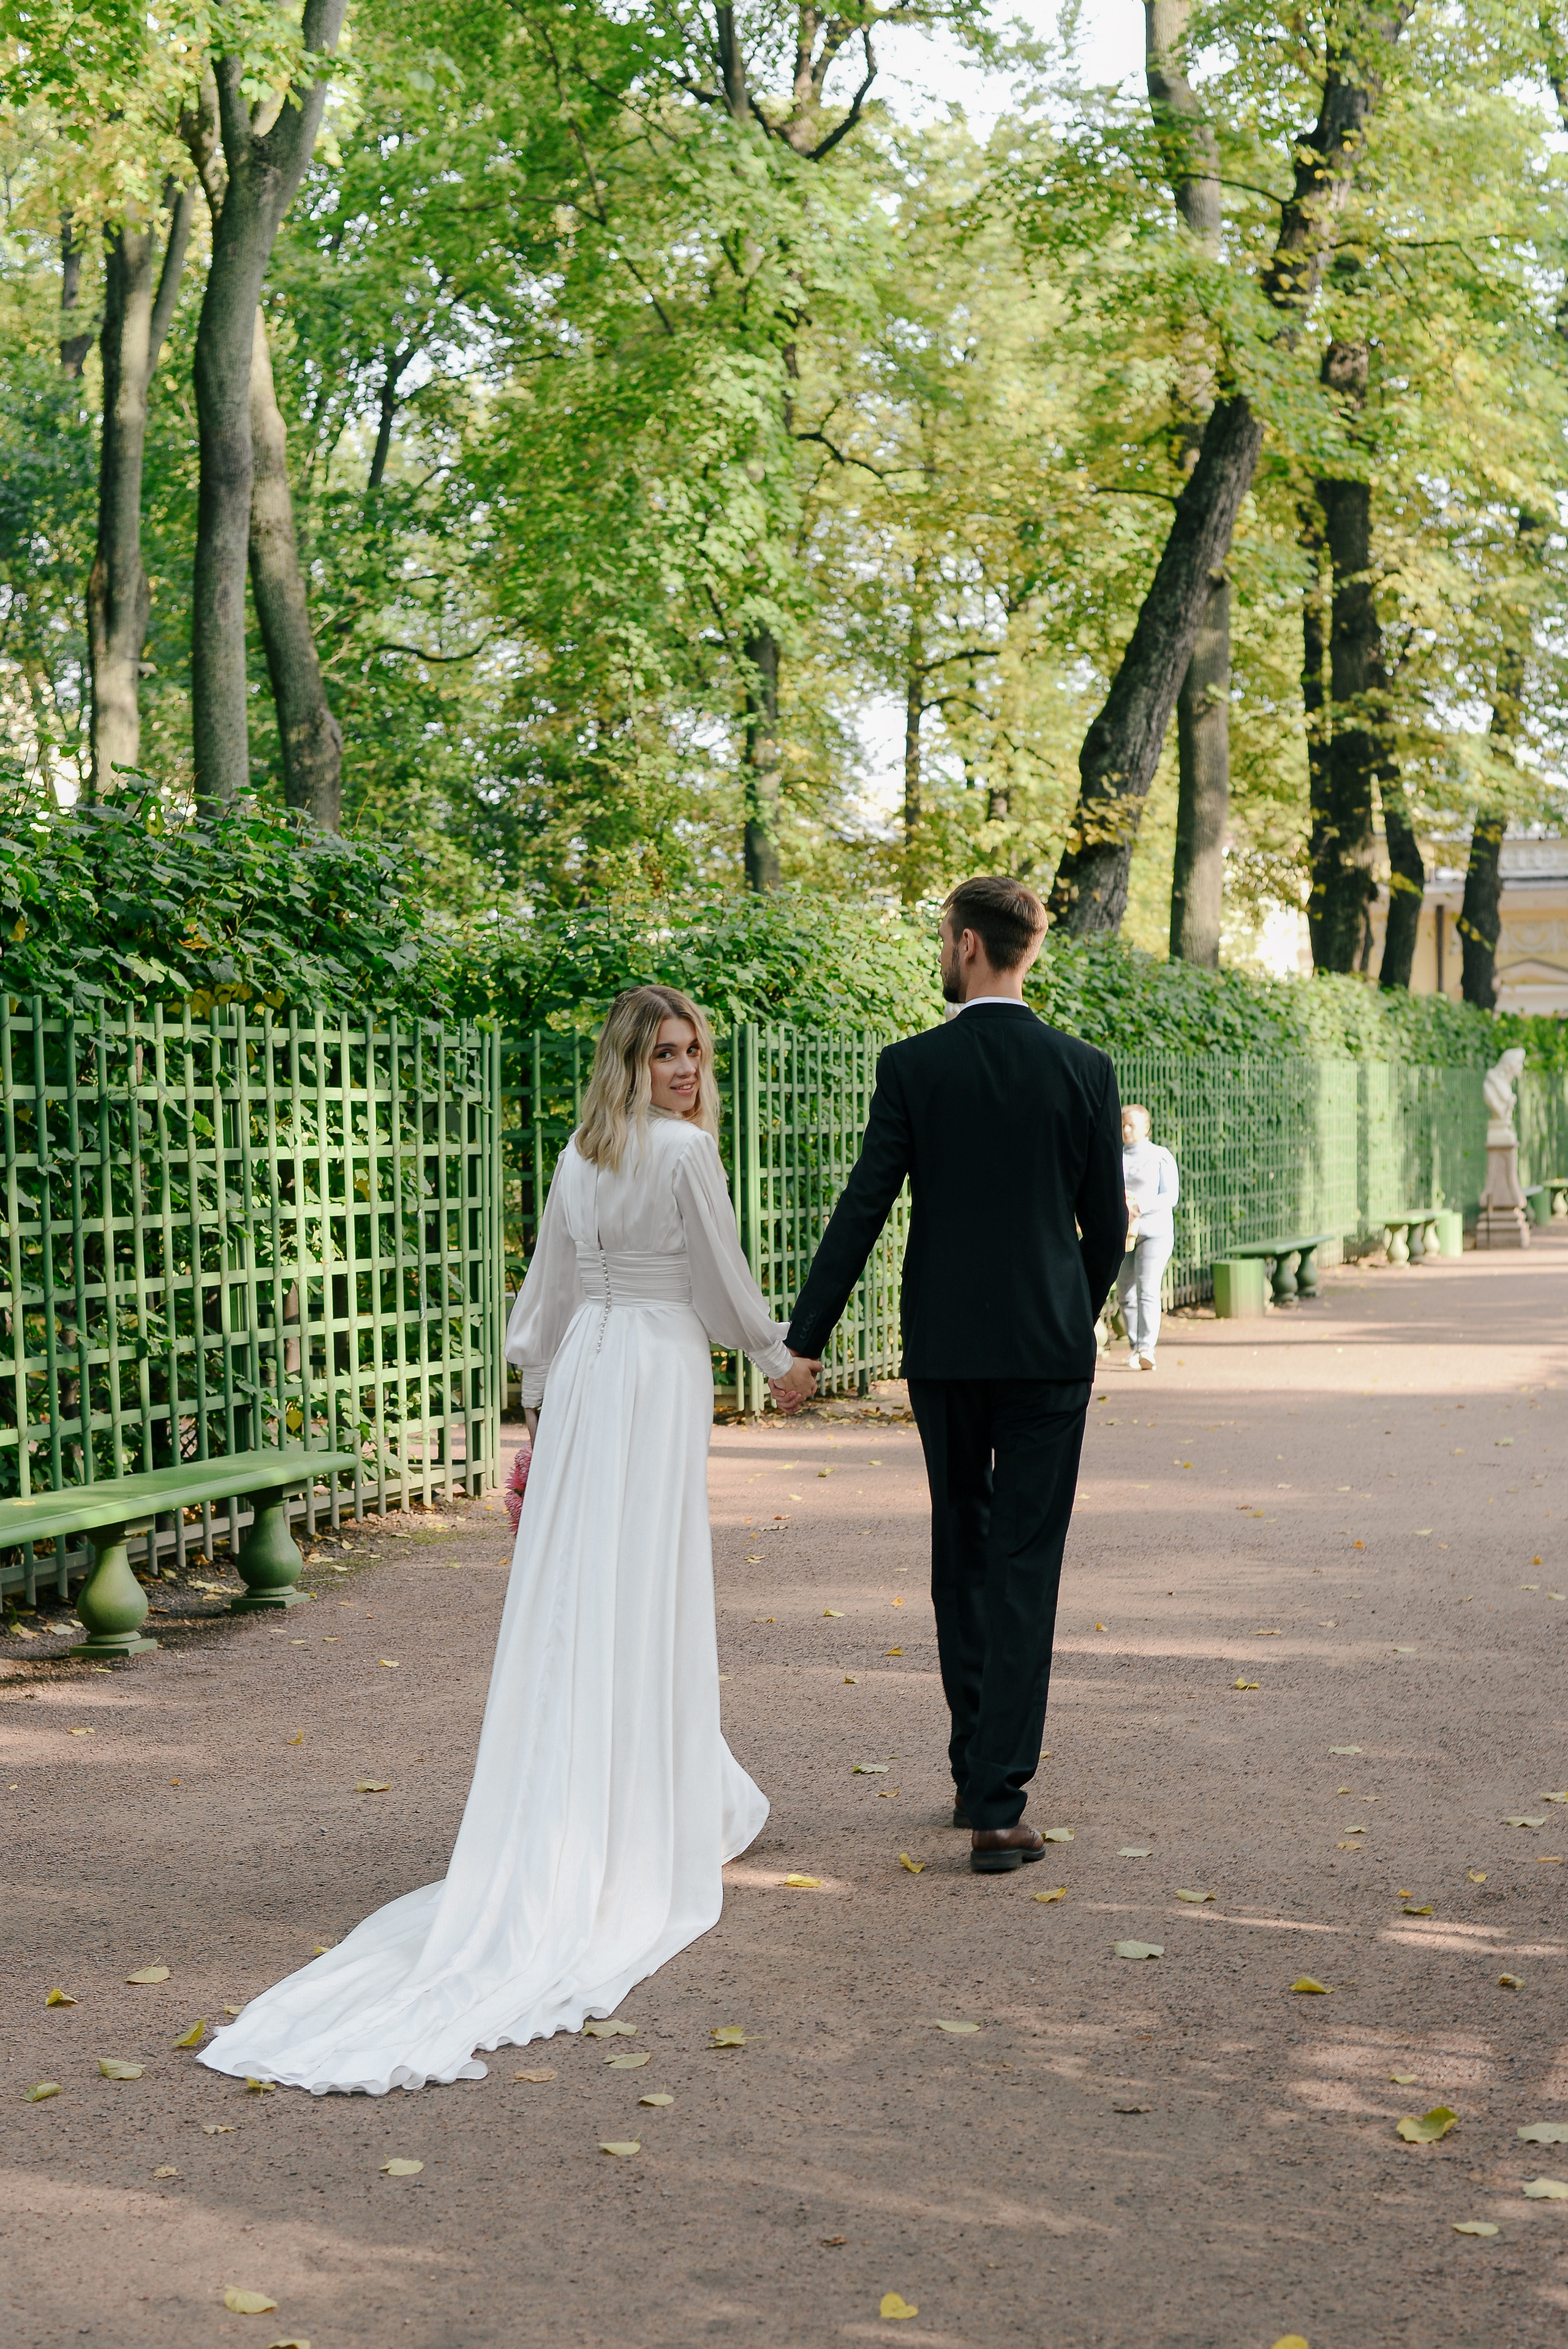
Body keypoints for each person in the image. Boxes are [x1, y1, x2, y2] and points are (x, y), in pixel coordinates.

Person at [199, 985, 818, 2095]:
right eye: (666, 1054)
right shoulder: (684, 1153)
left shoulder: (581, 1155)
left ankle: (635, 1788)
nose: (686, 1069)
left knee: (588, 1588)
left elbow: (548, 1296)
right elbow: (722, 1284)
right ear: (629, 1063)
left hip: (588, 1376)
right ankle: (646, 1811)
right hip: (653, 1370)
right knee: (645, 1584)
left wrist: (537, 1408)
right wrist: (778, 1359)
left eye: (693, 1051)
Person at [780, 877, 1124, 1874]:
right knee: (1027, 1562)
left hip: (944, 1348)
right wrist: (1067, 1308)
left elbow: (864, 1205)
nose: (943, 951)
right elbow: (1108, 1226)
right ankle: (996, 1799)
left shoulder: (912, 1066)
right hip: (1049, 1353)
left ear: (968, 944)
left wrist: (806, 1339)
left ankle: (977, 1768)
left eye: (943, 937)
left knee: (961, 1546)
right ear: (1028, 949)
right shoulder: (1086, 1069)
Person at [1117, 1104, 1179, 1372]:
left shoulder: (1159, 1156)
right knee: (1125, 1293)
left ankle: (1146, 1349)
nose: (1126, 1130)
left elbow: (1171, 1196)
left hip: (1155, 1233)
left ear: (1146, 1128)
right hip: (1124, 1233)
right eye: (1123, 1125)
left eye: (1132, 1125)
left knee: (1147, 1289)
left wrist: (1140, 1206)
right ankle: (1135, 1346)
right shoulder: (1115, 1156)